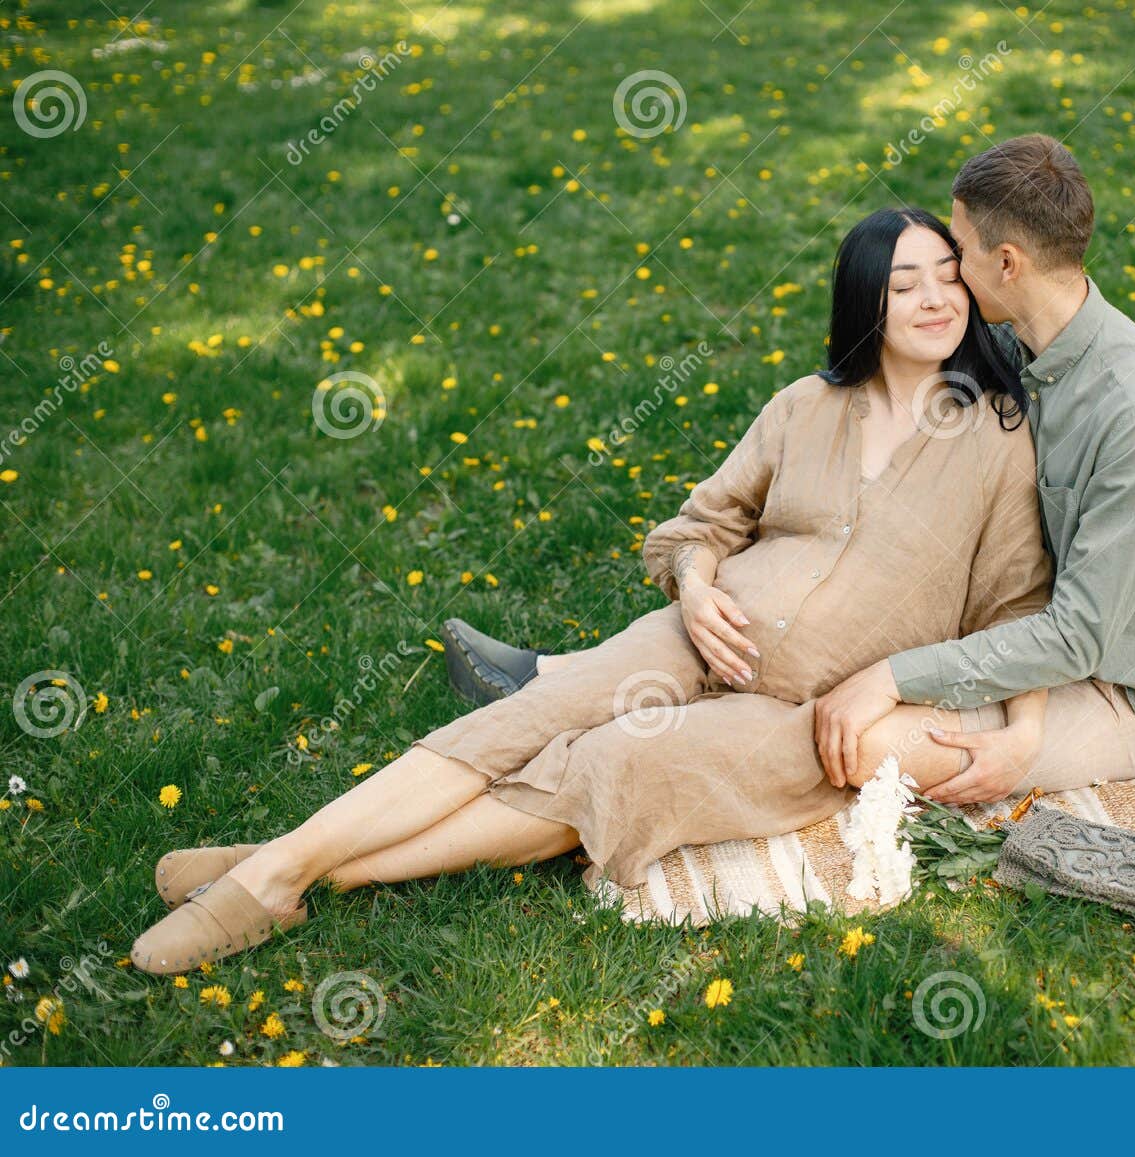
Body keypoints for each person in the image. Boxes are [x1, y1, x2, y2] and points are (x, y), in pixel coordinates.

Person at [131, 206, 1055, 975]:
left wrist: (1019, 731)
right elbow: (702, 526)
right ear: (865, 299)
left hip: (803, 705)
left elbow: (1019, 610)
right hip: (698, 636)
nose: (936, 297)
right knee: (530, 714)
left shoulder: (998, 439)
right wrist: (694, 592)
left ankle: (289, 877)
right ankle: (282, 869)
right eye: (904, 283)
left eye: (947, 274)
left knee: (616, 765)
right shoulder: (802, 407)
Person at [454, 134, 1135, 811]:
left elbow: (1074, 634)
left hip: (1121, 688)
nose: (946, 275)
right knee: (821, 681)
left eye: (957, 252)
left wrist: (908, 684)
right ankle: (565, 689)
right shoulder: (1015, 346)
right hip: (1030, 642)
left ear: (1006, 262)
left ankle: (604, 743)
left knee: (851, 738)